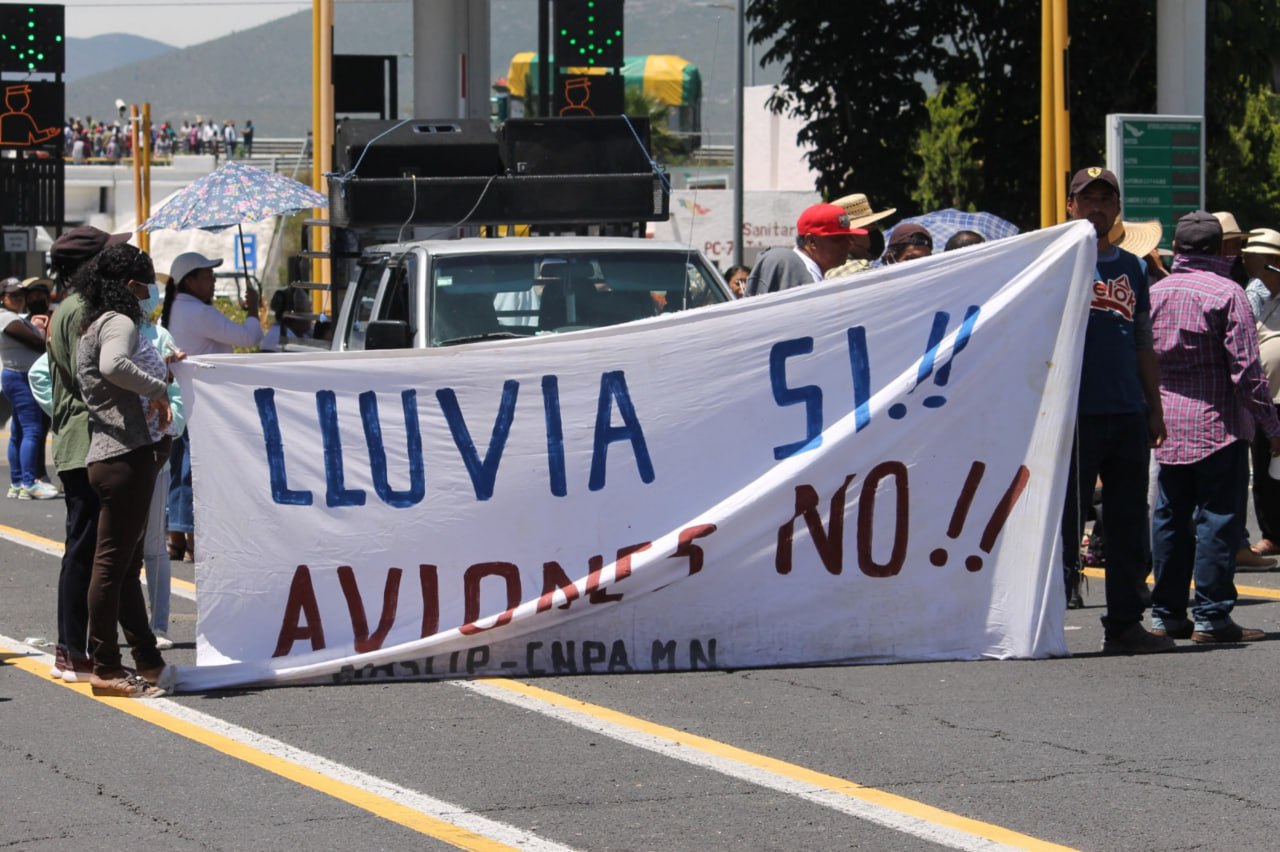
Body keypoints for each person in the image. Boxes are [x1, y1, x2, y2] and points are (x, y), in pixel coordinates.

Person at [1149, 211, 1280, 644]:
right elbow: (1246, 371)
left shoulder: (1156, 292)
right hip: (1219, 427)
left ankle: (1166, 614)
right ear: (1222, 250)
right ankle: (1211, 617)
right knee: (1217, 522)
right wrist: (1271, 425)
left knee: (1169, 519)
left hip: (1166, 427)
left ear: (1180, 249)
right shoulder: (1228, 293)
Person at [1060, 166, 1171, 654]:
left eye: (1106, 199)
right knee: (1064, 521)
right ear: (1070, 206)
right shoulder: (1053, 262)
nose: (1097, 207)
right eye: (1088, 200)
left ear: (1117, 208)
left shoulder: (1132, 266)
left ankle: (1125, 621)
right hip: (1073, 412)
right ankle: (1047, 615)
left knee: (1128, 524)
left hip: (1125, 409)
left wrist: (1155, 405)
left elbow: (1143, 339)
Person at [73, 243, 173, 697]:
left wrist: (162, 371)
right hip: (124, 456)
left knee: (123, 563)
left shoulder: (95, 322)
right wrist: (156, 388)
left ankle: (147, 661)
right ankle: (107, 668)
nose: (149, 293)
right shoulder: (119, 322)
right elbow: (115, 365)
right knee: (112, 565)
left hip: (117, 455)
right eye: (146, 284)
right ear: (129, 285)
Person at [161, 251, 261, 561]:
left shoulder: (178, 307)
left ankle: (176, 537)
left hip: (181, 399)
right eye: (207, 275)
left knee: (180, 469)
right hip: (202, 402)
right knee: (195, 469)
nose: (213, 281)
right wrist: (254, 309)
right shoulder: (199, 313)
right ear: (189, 281)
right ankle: (192, 539)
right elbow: (249, 337)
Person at [1238, 228, 1280, 560]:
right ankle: (1272, 534)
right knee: (1265, 471)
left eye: (1253, 258)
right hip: (1266, 401)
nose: (1246, 261)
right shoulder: (1260, 298)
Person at [0, 277, 55, 499]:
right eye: (13, 296)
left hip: (18, 375)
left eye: (21, 295)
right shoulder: (7, 318)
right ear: (3, 298)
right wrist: (41, 331)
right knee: (32, 430)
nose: (19, 300)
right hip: (21, 376)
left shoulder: (14, 317)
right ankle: (29, 481)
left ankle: (18, 482)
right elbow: (36, 344)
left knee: (20, 431)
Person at [743, 203, 866, 296]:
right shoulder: (786, 265)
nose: (849, 243)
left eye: (849, 237)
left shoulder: (810, 273)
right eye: (839, 238)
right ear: (812, 241)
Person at [826, 192, 896, 278]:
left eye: (875, 225)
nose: (876, 234)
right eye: (870, 230)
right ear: (851, 238)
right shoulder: (859, 269)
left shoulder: (830, 267)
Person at [260, 287, 317, 351]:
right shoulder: (282, 338)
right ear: (296, 313)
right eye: (309, 310)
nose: (311, 317)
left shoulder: (291, 331)